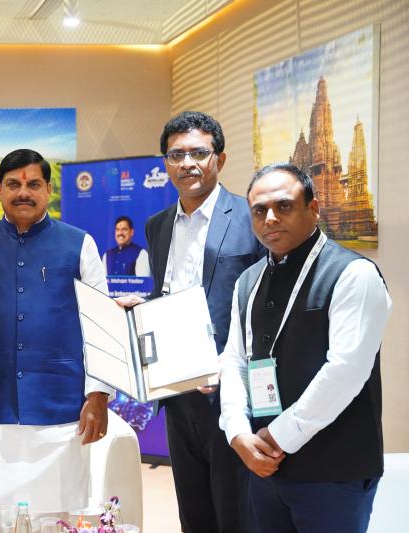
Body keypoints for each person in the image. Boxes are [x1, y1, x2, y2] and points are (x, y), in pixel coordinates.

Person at [219, 163, 391, 533]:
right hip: (264, 465)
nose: (270, 218)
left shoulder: (354, 274)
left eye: (284, 206)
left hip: (334, 472)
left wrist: (277, 436)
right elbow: (233, 360)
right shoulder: (247, 281)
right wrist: (236, 431)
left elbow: (345, 372)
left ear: (313, 209)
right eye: (259, 210)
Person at [0, 148, 114, 531]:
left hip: (60, 410)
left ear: (48, 190)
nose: (23, 192)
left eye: (33, 184)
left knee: (55, 520)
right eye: (13, 184)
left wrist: (98, 395)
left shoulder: (79, 244)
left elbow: (102, 326)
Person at [142, 111, 265, 533]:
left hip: (232, 393)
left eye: (198, 153)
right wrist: (141, 308)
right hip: (177, 391)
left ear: (220, 159)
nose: (187, 163)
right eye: (176, 155)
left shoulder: (251, 217)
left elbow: (267, 306)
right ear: (165, 163)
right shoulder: (157, 226)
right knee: (193, 513)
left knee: (236, 513)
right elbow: (167, 294)